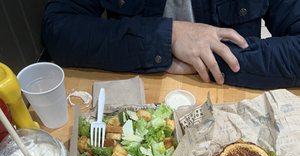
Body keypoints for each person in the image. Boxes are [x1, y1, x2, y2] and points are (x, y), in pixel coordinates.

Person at [42, 0, 300, 90]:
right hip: (136, 92)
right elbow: (58, 30)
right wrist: (171, 36)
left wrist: (211, 56)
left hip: (230, 95)